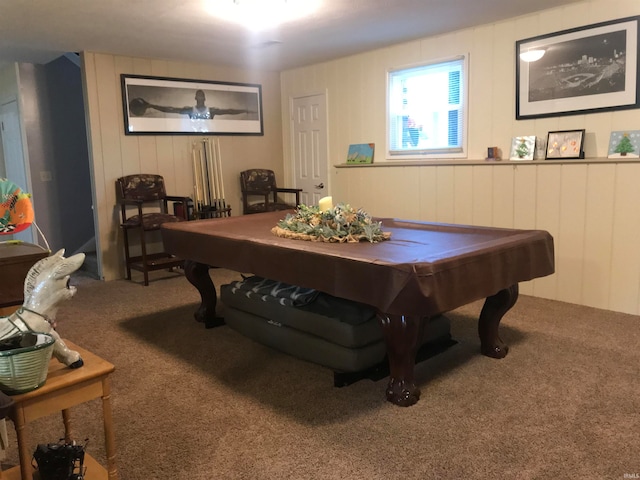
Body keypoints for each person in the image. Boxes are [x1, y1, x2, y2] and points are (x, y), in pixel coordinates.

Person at [130, 89, 256, 119]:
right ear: (195, 98)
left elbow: (229, 111)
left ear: (205, 98)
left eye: (202, 96)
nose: (200, 98)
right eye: (198, 96)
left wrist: (245, 110)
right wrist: (151, 105)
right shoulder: (190, 110)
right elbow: (171, 109)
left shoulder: (211, 111)